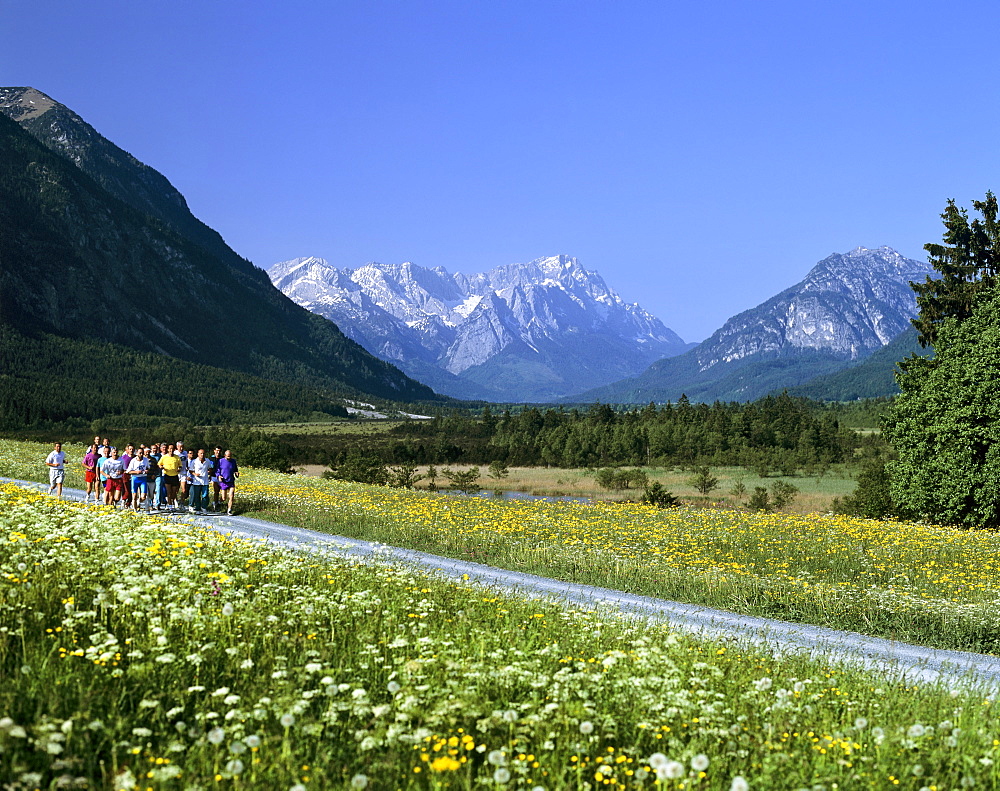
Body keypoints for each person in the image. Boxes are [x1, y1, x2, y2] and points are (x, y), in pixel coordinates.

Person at [187, 448, 213, 514]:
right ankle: (198, 508)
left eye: (203, 453)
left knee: (205, 495)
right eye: (201, 453)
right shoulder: (195, 461)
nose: (202, 455)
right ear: (198, 454)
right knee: (197, 495)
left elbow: (210, 468)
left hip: (205, 481)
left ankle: (203, 507)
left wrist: (209, 472)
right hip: (197, 481)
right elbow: (191, 470)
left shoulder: (207, 461)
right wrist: (195, 474)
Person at [158, 445, 182, 512]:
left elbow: (180, 465)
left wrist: (179, 469)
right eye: (170, 449)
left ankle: (172, 502)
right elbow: (159, 464)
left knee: (174, 492)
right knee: (168, 492)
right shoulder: (164, 457)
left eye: (172, 449)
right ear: (168, 449)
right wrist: (161, 467)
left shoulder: (177, 457)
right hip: (167, 475)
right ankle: (170, 506)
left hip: (174, 476)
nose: (171, 450)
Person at [217, 449, 239, 515]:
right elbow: (217, 470)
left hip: (231, 481)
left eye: (230, 456)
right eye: (228, 456)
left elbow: (235, 469)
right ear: (225, 455)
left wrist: (236, 473)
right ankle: (218, 502)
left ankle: (229, 510)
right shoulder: (220, 461)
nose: (229, 457)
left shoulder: (233, 461)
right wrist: (219, 476)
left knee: (231, 496)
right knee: (224, 498)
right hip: (224, 481)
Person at [146, 445, 162, 511]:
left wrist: (154, 474)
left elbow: (157, 468)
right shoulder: (144, 459)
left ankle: (157, 504)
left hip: (156, 476)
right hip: (146, 477)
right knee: (148, 492)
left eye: (155, 448)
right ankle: (150, 505)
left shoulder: (157, 458)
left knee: (157, 490)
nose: (154, 450)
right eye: (153, 448)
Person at [209, 446, 223, 511]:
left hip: (221, 477)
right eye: (217, 450)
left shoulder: (222, 459)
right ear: (214, 451)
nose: (218, 452)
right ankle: (215, 503)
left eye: (219, 451)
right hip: (213, 476)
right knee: (216, 490)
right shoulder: (211, 459)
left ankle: (218, 502)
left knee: (222, 491)